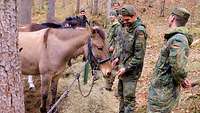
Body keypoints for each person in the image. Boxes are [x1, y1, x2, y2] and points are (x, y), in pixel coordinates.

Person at [147, 7, 193, 113]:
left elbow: (178, 67)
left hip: (162, 93)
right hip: (161, 90)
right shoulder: (175, 37)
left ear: (172, 18)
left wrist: (182, 79)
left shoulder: (178, 39)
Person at [112, 5, 148, 113]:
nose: (125, 22)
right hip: (122, 68)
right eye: (123, 19)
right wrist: (117, 58)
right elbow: (123, 47)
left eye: (127, 19)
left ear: (134, 16)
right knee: (121, 96)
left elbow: (139, 57)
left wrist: (126, 68)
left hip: (131, 72)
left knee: (129, 100)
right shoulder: (126, 27)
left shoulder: (139, 31)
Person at [104, 10, 123, 91]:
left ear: (115, 16)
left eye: (112, 15)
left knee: (113, 68)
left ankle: (108, 86)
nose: (111, 16)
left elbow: (118, 40)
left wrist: (113, 47)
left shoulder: (117, 26)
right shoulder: (111, 25)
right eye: (110, 15)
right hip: (108, 50)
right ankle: (107, 85)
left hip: (114, 51)